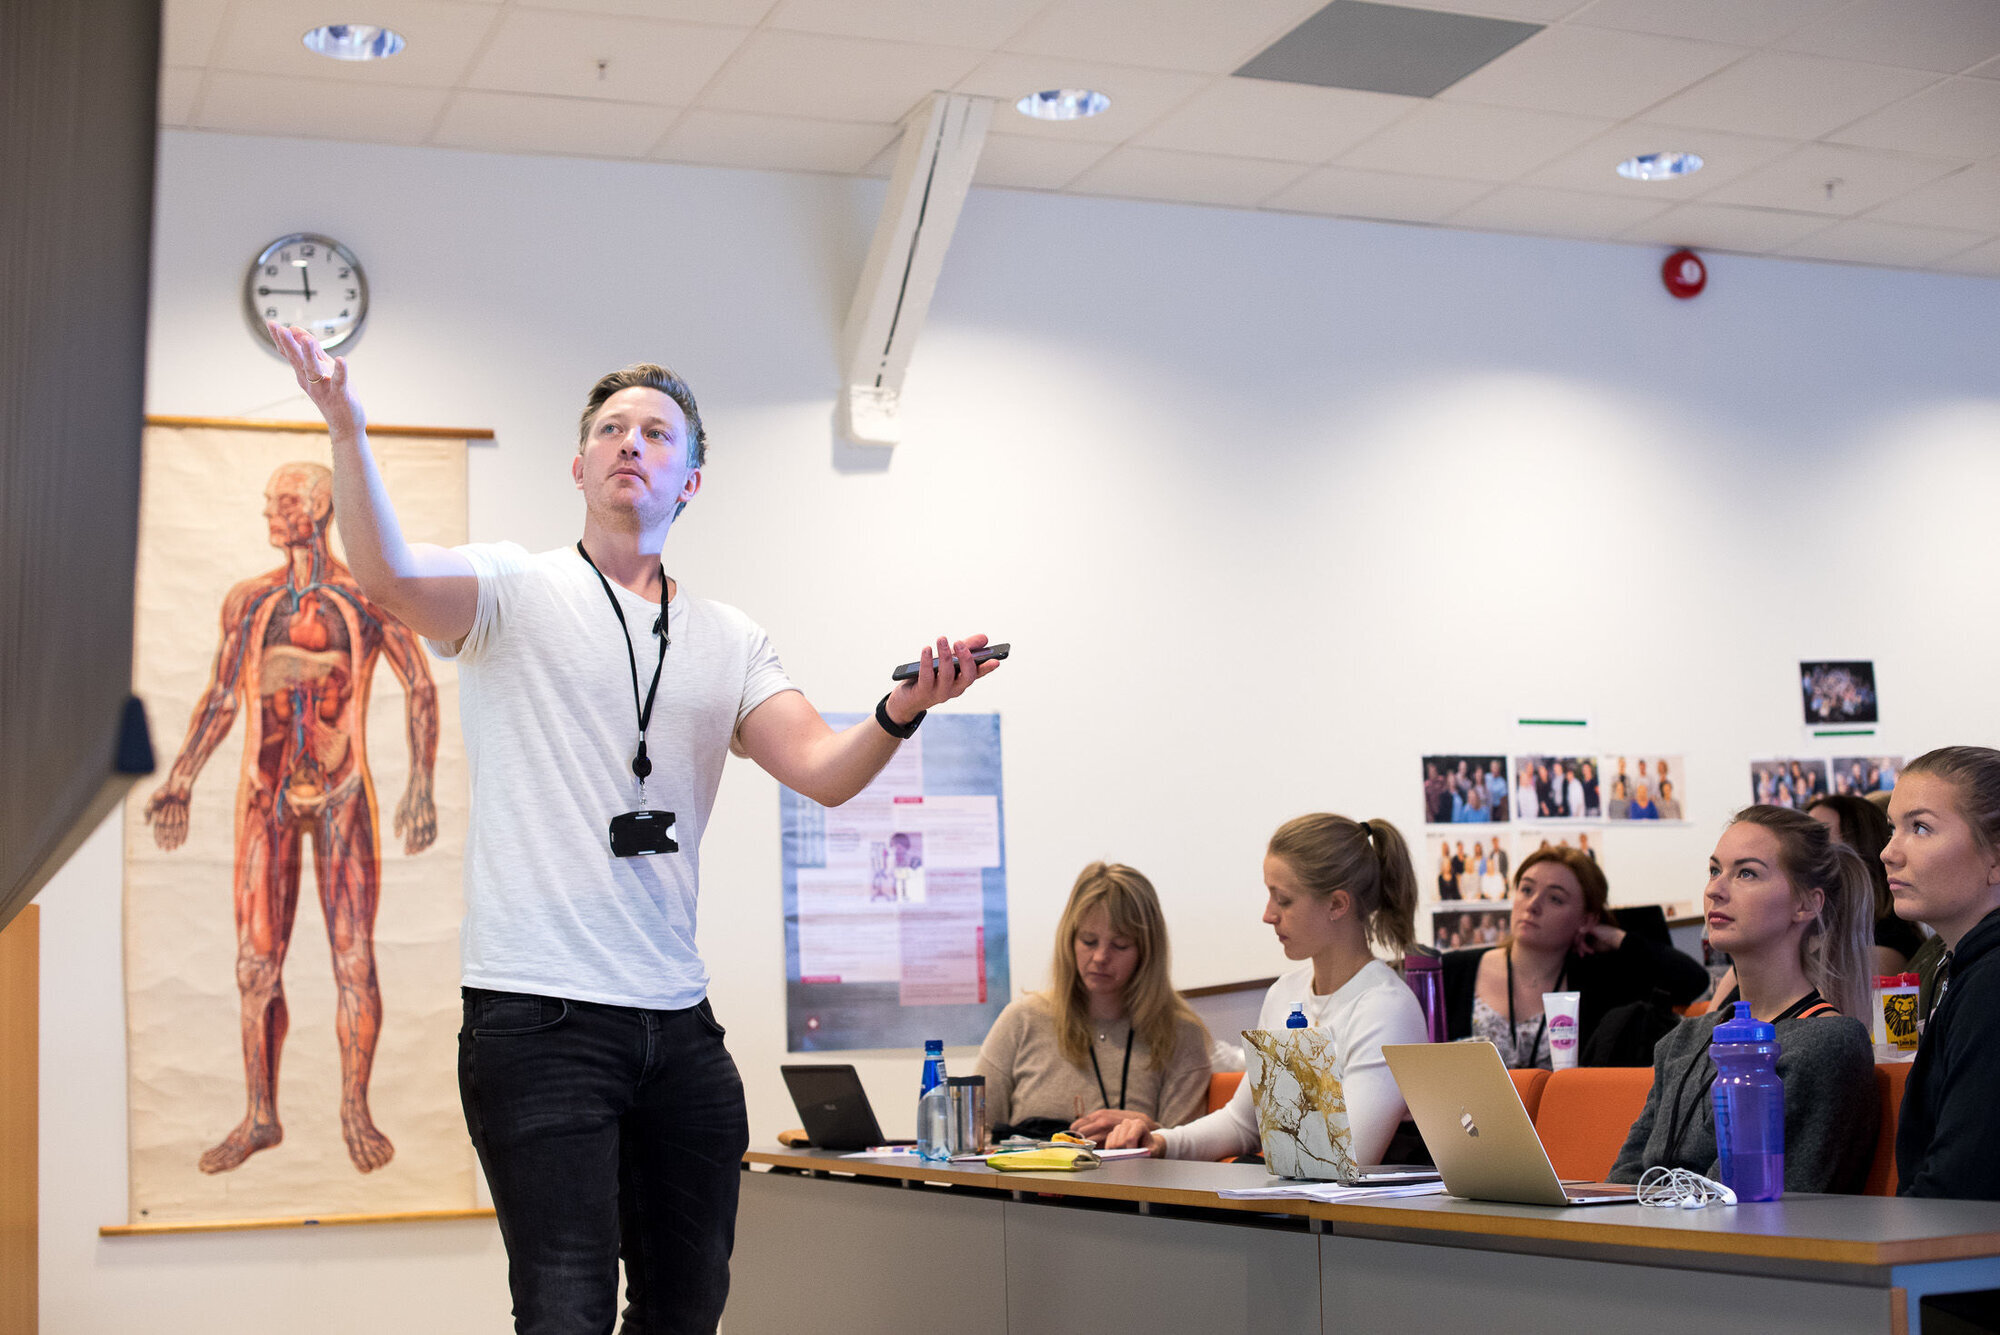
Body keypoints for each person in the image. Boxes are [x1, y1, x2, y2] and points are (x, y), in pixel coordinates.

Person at [266, 324, 1000, 1332]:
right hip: (539, 1020)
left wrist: (900, 710)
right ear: (577, 465)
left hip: (678, 1028)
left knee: (685, 1307)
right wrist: (345, 424)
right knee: (565, 1310)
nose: (629, 442)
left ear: (689, 478)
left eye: (656, 433)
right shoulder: (510, 594)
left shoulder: (728, 639)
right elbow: (386, 574)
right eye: (610, 428)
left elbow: (824, 772)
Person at [143, 461, 440, 1175]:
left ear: (317, 510)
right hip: (263, 792)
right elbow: (220, 697)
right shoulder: (249, 602)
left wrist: (422, 785)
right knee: (255, 965)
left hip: (343, 792)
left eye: (281, 502)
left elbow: (423, 685)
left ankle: (354, 1108)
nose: (270, 514)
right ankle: (260, 1115)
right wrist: (180, 778)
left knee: (354, 960)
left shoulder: (365, 599)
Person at [1104, 814, 1427, 1166]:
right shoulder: (1284, 993)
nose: (1268, 914)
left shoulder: (1386, 1007)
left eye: (1283, 900)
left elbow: (1348, 1156)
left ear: (1337, 904)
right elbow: (1243, 1123)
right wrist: (1160, 1141)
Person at [1608, 806, 1877, 1192]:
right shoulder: (1682, 1041)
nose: (1715, 889)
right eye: (1715, 870)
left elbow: (1748, 1201)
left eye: (1746, 873)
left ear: (1806, 904)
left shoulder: (1827, 1044)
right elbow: (1624, 1180)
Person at [975, 863, 1210, 1143]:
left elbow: (1189, 1156)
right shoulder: (1022, 1020)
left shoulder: (1181, 1035)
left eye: (1120, 945)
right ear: (1069, 940)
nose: (1100, 957)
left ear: (1147, 952)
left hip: (1131, 1186)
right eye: (1088, 941)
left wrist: (1149, 1132)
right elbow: (974, 1135)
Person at [1441, 847, 1707, 1068]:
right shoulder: (1454, 972)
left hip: (1565, 1124)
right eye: (1526, 889)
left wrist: (1615, 937)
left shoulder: (1601, 982)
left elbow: (1691, 980)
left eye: (1555, 899)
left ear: (1585, 918)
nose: (1532, 905)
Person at [1885, 748, 2000, 1199]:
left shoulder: (1991, 981)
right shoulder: (1962, 966)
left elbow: (1960, 1186)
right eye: (1892, 828)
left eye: (1920, 828)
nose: (1889, 852)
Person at [1808, 792, 1923, 973]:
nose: (1803, 853)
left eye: (1818, 840)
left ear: (1860, 855)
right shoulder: (1821, 929)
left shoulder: (1886, 944)